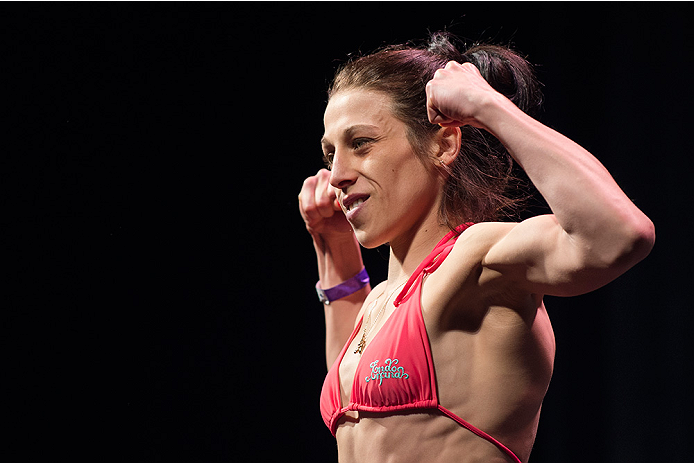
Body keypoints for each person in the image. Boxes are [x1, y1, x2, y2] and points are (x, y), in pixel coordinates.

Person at [297, 32, 654, 463]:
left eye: (361, 144)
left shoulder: (478, 258)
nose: (336, 174)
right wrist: (333, 245)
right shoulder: (380, 301)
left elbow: (620, 234)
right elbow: (353, 400)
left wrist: (488, 107)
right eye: (330, 153)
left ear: (444, 144)